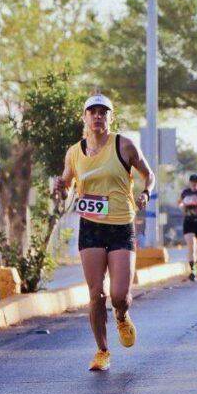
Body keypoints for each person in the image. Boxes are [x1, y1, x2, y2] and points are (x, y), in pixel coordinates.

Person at [54, 94, 155, 372]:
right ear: (84, 117)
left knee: (119, 294)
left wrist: (146, 192)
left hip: (121, 225)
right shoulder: (75, 152)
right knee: (96, 293)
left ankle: (122, 316)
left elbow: (149, 174)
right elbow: (65, 182)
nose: (97, 116)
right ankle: (102, 351)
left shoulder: (124, 145)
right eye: (92, 112)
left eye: (103, 112)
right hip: (91, 226)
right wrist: (59, 188)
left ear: (111, 117)